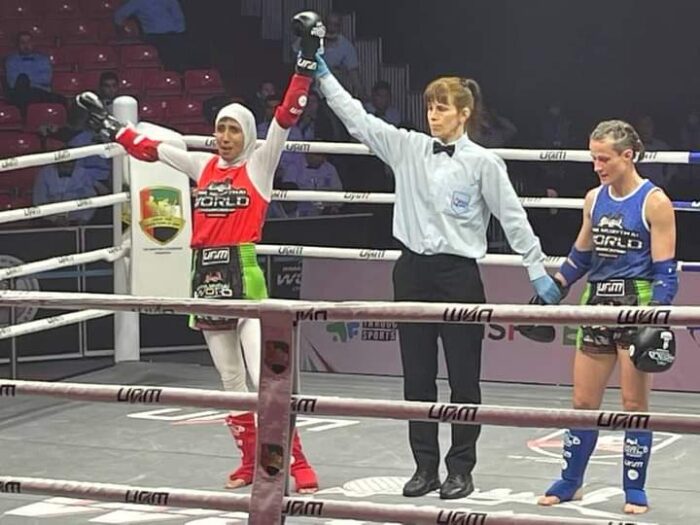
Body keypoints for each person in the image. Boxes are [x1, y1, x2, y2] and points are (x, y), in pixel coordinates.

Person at [79, 11, 325, 494]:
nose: (225, 137)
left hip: (245, 277)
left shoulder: (260, 164)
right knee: (230, 381)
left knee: (264, 378)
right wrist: (109, 125)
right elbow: (149, 149)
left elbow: (286, 117)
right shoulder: (202, 165)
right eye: (220, 129)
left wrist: (307, 59)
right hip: (204, 279)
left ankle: (296, 463)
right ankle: (250, 461)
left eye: (233, 129)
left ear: (246, 133)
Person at [311, 56, 561, 499]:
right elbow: (357, 120)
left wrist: (537, 270)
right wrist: (325, 77)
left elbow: (513, 218)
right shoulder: (406, 147)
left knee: (464, 378)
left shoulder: (484, 163)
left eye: (442, 108)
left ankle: (460, 469)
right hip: (411, 271)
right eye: (429, 106)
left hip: (458, 275)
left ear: (464, 113)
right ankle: (424, 467)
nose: (432, 114)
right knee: (417, 377)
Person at [537, 120, 677, 515]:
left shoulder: (655, 202)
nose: (596, 166)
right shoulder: (593, 199)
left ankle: (634, 488)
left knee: (634, 403)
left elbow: (666, 271)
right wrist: (554, 289)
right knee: (583, 401)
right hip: (597, 303)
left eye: (604, 159)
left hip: (637, 305)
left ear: (627, 156)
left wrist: (655, 319)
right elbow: (581, 256)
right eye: (593, 158)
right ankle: (571, 482)